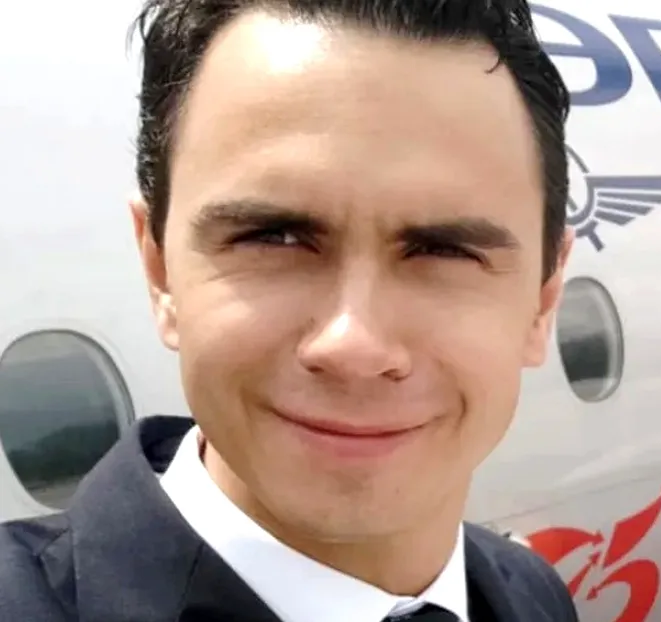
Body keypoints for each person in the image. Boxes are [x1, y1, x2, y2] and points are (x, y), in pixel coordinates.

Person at [0, 0, 579, 620]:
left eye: (445, 250)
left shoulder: (531, 594)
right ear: (159, 268)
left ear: (543, 301)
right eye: (273, 237)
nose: (354, 344)